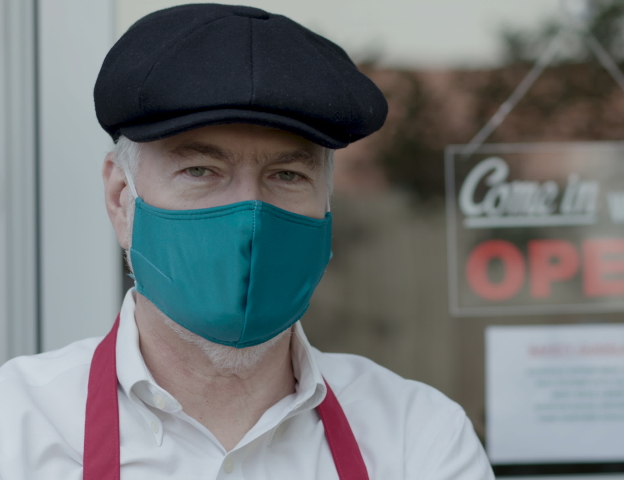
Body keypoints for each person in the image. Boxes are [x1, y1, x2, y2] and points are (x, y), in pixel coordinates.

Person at [0, 4, 494, 479]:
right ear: (120, 198)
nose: (250, 216)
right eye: (200, 170)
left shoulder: (417, 439)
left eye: (286, 174)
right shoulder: (20, 428)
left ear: (327, 203)